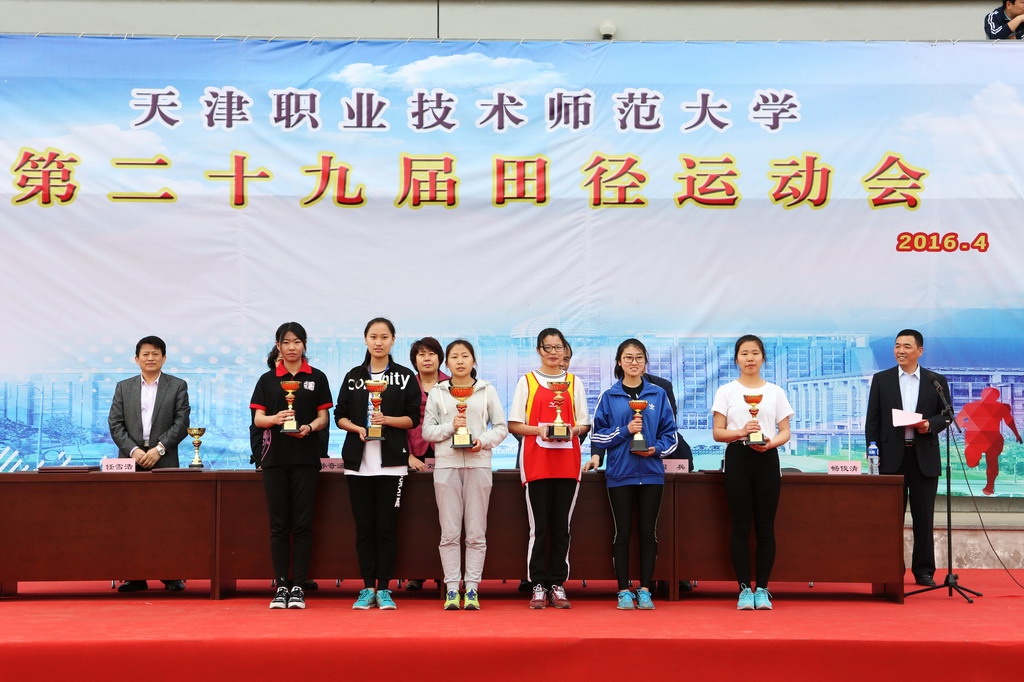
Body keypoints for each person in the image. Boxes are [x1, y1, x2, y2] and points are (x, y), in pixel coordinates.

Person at [335, 317, 420, 610]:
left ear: (393, 340)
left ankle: (384, 588)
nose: (379, 342)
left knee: (386, 528)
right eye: (373, 336)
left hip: (392, 463)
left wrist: (386, 420)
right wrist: (357, 428)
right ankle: (366, 587)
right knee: (364, 528)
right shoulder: (354, 376)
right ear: (366, 340)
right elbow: (340, 415)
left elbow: (413, 419)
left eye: (384, 337)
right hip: (357, 464)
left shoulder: (404, 376)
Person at [588, 339, 676, 610]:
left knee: (648, 533)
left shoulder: (658, 394)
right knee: (622, 533)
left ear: (645, 362)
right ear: (619, 362)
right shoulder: (609, 396)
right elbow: (597, 436)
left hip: (651, 474)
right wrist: (625, 430)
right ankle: (623, 590)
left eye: (639, 357)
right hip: (620, 473)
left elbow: (670, 435)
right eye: (628, 357)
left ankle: (646, 589)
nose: (634, 362)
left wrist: (655, 450)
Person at [250, 322, 333, 610]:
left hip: (306, 460)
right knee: (278, 525)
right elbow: (258, 419)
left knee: (302, 524)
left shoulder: (317, 377)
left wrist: (309, 427)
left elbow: (324, 418)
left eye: (297, 342)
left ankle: (299, 585)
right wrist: (276, 418)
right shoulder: (267, 380)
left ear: (304, 344)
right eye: (286, 342)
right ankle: (281, 585)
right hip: (274, 460)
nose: (292, 347)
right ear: (278, 346)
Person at [422, 339, 508, 610]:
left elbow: (501, 427)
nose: (460, 361)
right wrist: (450, 427)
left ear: (473, 360)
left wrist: (482, 441)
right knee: (449, 532)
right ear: (447, 363)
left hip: (478, 464)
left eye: (465, 356)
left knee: (476, 533)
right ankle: (451, 588)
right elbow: (427, 432)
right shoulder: (438, 392)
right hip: (446, 466)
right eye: (454, 357)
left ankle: (471, 588)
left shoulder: (487, 390)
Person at [508, 327, 591, 609]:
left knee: (561, 527)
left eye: (558, 347)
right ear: (538, 350)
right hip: (536, 463)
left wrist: (571, 430)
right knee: (540, 527)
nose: (553, 353)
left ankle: (557, 583)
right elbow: (514, 424)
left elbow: (584, 424)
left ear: (565, 350)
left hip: (567, 463)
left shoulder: (574, 382)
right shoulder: (527, 381)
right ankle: (538, 584)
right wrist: (540, 430)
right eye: (548, 347)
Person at [712, 334, 793, 611]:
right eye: (744, 353)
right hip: (738, 459)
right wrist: (740, 432)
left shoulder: (775, 392)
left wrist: (770, 443)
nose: (750, 358)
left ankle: (764, 589)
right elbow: (718, 433)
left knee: (766, 527)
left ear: (763, 358)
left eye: (755, 353)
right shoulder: (726, 391)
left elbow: (785, 431)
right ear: (736, 359)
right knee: (740, 527)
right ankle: (745, 589)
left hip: (767, 459)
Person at [866, 329, 951, 587]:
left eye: (906, 346)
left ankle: (924, 571)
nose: (900, 351)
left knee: (923, 518)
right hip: (891, 458)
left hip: (923, 456)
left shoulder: (935, 381)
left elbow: (947, 415)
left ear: (919, 351)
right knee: (891, 519)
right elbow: (873, 419)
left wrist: (930, 425)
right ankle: (891, 569)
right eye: (897, 346)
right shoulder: (882, 379)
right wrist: (872, 451)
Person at [107, 335, 190, 593]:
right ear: (136, 359)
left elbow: (182, 423)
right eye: (145, 354)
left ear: (164, 358)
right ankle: (134, 576)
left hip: (165, 459)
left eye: (156, 354)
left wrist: (158, 449)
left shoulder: (177, 386)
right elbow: (115, 423)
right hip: (130, 461)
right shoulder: (124, 387)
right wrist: (133, 450)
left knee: (167, 519)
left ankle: (171, 575)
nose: (150, 358)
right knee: (131, 519)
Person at [403, 336, 449, 592]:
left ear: (440, 358)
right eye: (421, 354)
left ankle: (445, 574)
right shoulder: (406, 384)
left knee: (445, 517)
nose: (427, 358)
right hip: (415, 455)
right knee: (418, 516)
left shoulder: (452, 384)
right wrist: (406, 456)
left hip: (447, 453)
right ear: (415, 360)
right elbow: (398, 422)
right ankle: (417, 572)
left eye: (431, 353)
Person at [956, 387, 1022, 496]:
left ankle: (990, 485)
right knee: (971, 464)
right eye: (986, 394)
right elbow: (959, 420)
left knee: (992, 461)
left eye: (991, 395)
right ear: (982, 395)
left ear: (996, 397)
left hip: (993, 437)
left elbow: (1009, 421)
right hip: (974, 438)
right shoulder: (971, 406)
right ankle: (976, 458)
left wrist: (1017, 434)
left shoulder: (1002, 407)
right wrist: (971, 425)